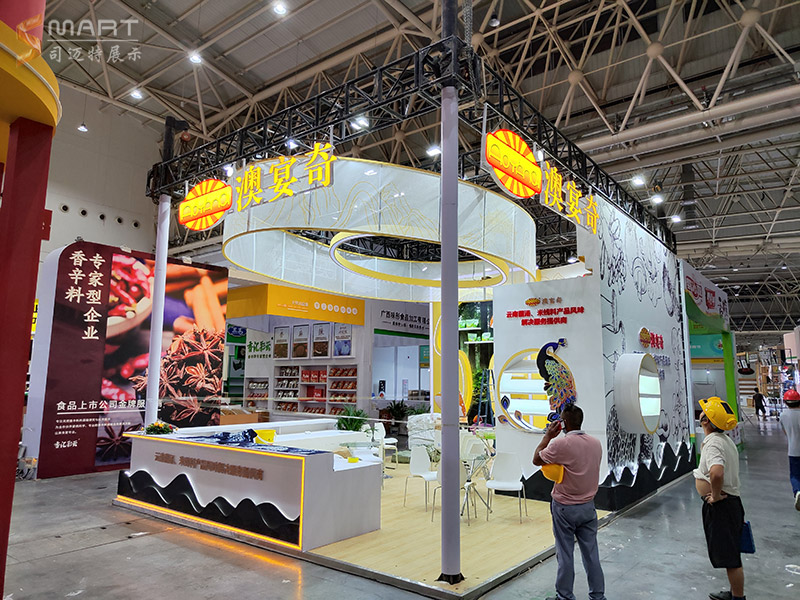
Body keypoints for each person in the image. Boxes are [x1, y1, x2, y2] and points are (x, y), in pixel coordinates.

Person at [533, 403, 606, 600]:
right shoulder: (595, 443)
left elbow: (536, 459)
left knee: (565, 554)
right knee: (591, 554)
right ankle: (598, 596)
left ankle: (565, 596)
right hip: (588, 507)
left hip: (565, 508)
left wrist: (548, 436)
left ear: (563, 423)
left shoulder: (560, 445)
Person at [694, 396, 746, 600]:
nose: (700, 413)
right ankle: (734, 593)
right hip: (730, 505)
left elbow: (717, 472)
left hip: (722, 507)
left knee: (731, 558)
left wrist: (715, 496)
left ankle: (738, 597)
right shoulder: (724, 440)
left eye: (704, 412)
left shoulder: (714, 443)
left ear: (706, 420)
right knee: (728, 553)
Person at [779, 388, 800, 511]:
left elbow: (785, 433)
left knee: (795, 475)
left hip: (793, 451)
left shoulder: (783, 415)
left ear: (786, 402)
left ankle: (798, 492)